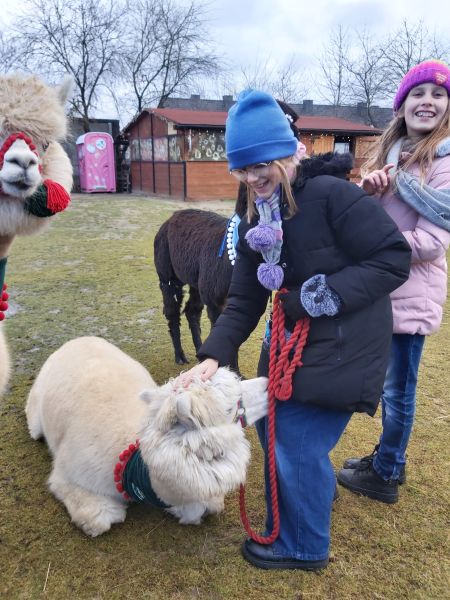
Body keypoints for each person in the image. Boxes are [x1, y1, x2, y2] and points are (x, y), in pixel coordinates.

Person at [177, 89, 411, 571]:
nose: (252, 177)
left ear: (287, 153)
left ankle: (303, 546)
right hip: (290, 348)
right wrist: (212, 355)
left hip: (347, 346)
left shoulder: (334, 196)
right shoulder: (254, 216)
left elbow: (392, 259)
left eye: (262, 163)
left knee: (296, 441)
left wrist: (314, 296)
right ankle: (310, 497)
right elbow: (245, 298)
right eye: (242, 168)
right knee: (270, 422)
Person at [337, 60, 450, 504]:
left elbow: (431, 242)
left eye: (438, 94)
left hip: (411, 293)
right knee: (388, 386)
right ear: (401, 106)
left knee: (398, 391)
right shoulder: (394, 155)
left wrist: (371, 242)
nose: (428, 102)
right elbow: (370, 214)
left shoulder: (443, 165)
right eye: (417, 94)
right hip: (383, 289)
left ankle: (386, 473)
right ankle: (389, 459)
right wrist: (368, 192)